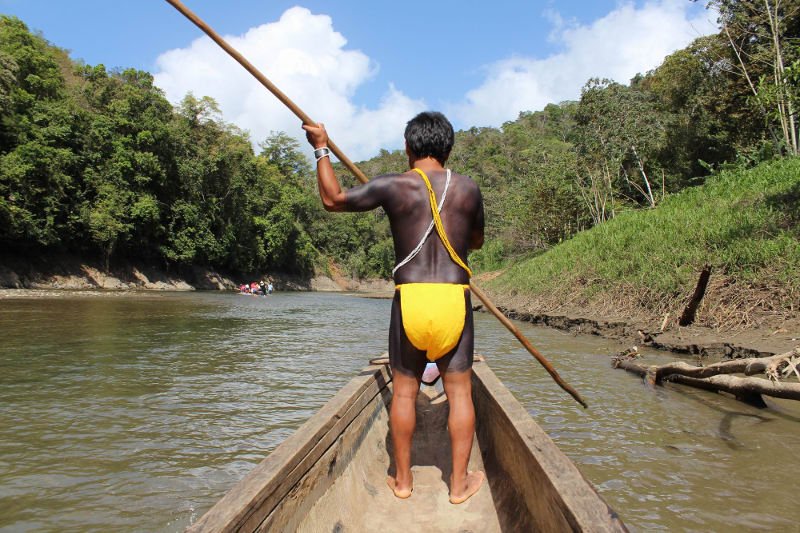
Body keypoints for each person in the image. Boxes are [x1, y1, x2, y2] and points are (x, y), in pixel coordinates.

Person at [303, 111, 485, 505]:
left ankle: (402, 481)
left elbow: (333, 200)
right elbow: (478, 240)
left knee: (403, 394)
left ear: (407, 147)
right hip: (453, 299)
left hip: (411, 300)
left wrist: (321, 147)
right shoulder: (469, 189)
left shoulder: (394, 186)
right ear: (448, 148)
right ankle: (458, 485)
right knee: (460, 394)